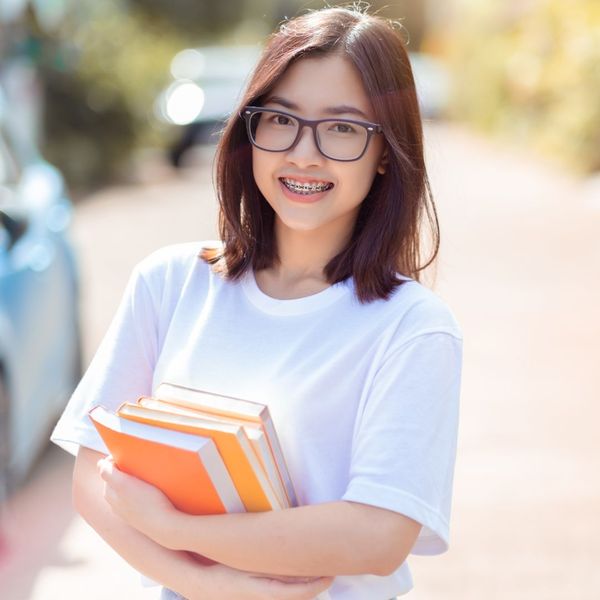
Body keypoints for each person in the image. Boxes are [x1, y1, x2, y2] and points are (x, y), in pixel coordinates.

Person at [51, 6, 462, 600]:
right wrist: (197, 580)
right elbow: (93, 473)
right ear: (251, 131)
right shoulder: (170, 282)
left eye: (343, 128)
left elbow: (378, 533)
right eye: (281, 120)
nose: (304, 154)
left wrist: (174, 528)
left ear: (385, 153)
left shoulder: (413, 327)